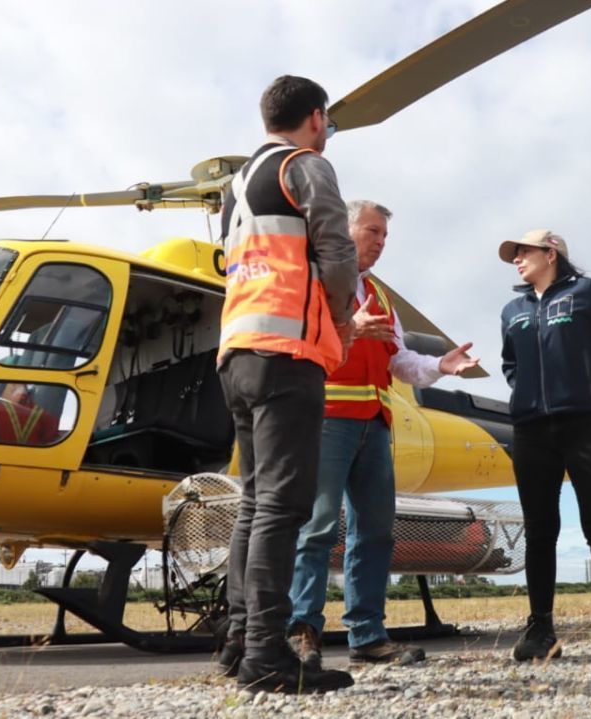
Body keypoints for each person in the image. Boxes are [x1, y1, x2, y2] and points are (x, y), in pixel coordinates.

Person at [286, 200, 480, 670]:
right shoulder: (313, 279)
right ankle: (301, 632)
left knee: (375, 533)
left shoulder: (380, 296)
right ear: (343, 230)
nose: (381, 241)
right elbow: (296, 338)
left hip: (375, 425)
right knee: (318, 525)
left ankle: (367, 635)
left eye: (384, 235)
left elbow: (398, 361)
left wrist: (440, 365)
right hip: (328, 419)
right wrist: (349, 327)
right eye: (373, 231)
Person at [214, 74, 359, 694]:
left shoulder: (234, 185)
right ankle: (266, 659)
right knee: (282, 505)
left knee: (253, 503)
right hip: (286, 354)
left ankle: (238, 642)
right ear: (317, 118)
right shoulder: (306, 166)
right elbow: (335, 247)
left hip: (236, 352)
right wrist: (346, 317)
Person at [499, 229, 591, 665]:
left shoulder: (587, 294)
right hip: (531, 431)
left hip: (587, 425)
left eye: (524, 252)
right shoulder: (512, 310)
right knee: (539, 533)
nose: (517, 260)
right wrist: (523, 394)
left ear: (551, 252)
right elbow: (510, 362)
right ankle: (541, 631)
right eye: (515, 254)